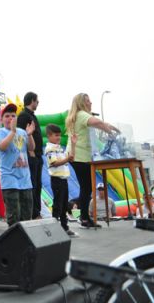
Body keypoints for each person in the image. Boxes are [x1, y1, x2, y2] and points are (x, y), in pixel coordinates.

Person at [65, 93, 120, 229]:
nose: (91, 103)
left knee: (87, 187)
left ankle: (85, 217)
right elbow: (97, 122)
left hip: (78, 156)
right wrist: (109, 132)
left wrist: (111, 127)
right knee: (86, 187)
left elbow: (98, 123)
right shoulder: (82, 114)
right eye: (88, 101)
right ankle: (84, 217)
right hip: (79, 156)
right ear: (82, 103)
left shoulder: (78, 115)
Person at [0, 103, 35, 226]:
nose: (10, 118)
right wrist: (12, 132)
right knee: (14, 215)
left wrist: (29, 134)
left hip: (25, 180)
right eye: (7, 116)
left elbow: (32, 148)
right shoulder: (0, 132)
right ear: (1, 120)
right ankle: (14, 242)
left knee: (27, 215)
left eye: (13, 115)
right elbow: (2, 147)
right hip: (10, 180)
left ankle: (25, 243)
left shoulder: (22, 132)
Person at [44, 124, 78, 238]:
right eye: (56, 135)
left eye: (59, 135)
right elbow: (54, 163)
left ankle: (64, 227)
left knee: (64, 204)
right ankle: (55, 227)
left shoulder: (59, 148)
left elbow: (70, 157)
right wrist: (67, 159)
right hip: (56, 179)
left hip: (64, 179)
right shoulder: (50, 149)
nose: (58, 138)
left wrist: (73, 144)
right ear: (49, 136)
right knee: (58, 204)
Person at [17, 92, 44, 219]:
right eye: (37, 101)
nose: (38, 103)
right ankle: (33, 213)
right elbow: (21, 136)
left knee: (38, 184)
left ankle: (37, 212)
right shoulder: (23, 116)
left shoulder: (33, 116)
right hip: (31, 155)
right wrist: (30, 152)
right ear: (32, 100)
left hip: (38, 155)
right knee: (32, 184)